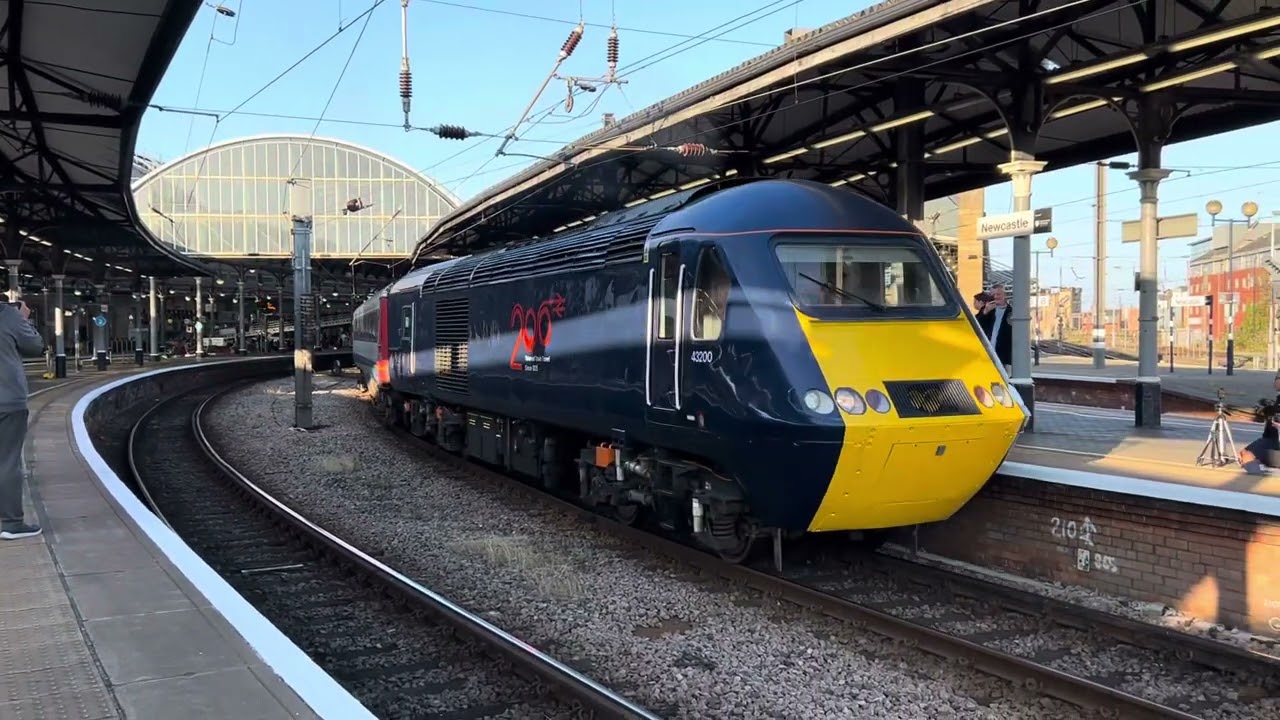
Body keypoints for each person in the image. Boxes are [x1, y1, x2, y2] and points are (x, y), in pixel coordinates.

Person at [1, 299, 47, 539]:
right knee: (7, 462)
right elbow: (34, 346)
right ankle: (10, 523)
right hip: (6, 400)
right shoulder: (7, 315)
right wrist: (23, 319)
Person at [976, 286, 1014, 371]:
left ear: (1005, 295)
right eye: (993, 295)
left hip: (1003, 355)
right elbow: (976, 325)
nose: (996, 297)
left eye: (998, 294)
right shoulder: (986, 309)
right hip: (987, 353)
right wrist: (985, 312)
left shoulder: (1011, 312)